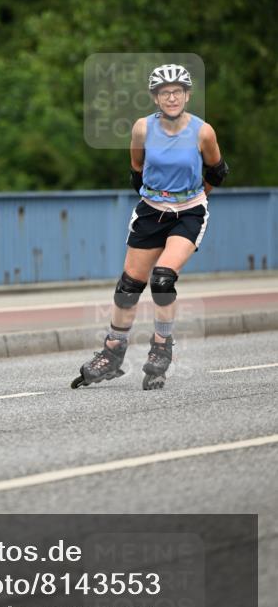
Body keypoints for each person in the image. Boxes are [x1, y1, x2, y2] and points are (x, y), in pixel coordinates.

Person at [72, 63, 229, 391]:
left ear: (187, 95)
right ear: (155, 98)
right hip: (151, 211)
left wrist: (195, 199)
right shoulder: (142, 128)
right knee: (129, 286)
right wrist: (157, 200)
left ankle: (162, 347)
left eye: (177, 91)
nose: (171, 97)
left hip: (189, 213)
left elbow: (216, 171)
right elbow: (137, 169)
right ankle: (113, 351)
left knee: (162, 279)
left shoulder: (203, 131)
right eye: (164, 93)